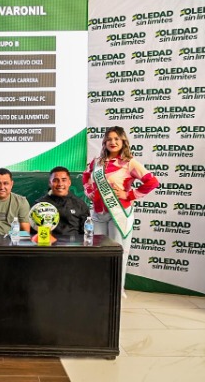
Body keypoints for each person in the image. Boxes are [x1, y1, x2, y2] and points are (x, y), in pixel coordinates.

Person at [83, 126, 159, 297]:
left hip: (119, 213)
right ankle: (99, 288)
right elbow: (86, 176)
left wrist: (129, 195)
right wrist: (89, 191)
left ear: (123, 141)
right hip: (98, 213)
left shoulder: (130, 163)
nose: (113, 142)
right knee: (97, 252)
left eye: (116, 139)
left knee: (118, 252)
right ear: (104, 142)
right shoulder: (97, 162)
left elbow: (152, 182)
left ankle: (117, 289)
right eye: (109, 139)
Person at [35, 166, 90, 237]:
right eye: (55, 180)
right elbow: (34, 233)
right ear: (50, 183)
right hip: (48, 243)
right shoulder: (40, 204)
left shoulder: (80, 204)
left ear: (69, 182)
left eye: (64, 180)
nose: (60, 184)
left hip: (74, 243)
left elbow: (87, 233)